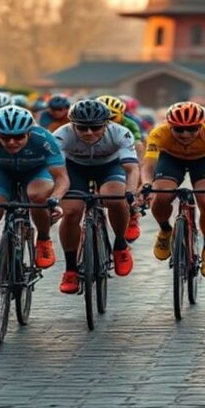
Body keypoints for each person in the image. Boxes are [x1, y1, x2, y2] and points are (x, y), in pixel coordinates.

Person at [0, 106, 69, 290]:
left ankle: (43, 239)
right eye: (4, 137)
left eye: (18, 137)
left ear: (29, 133)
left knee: (37, 196)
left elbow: (61, 177)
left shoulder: (44, 138)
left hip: (36, 171)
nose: (11, 142)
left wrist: (55, 198)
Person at [53, 99, 139, 294]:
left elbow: (132, 169)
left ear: (106, 124)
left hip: (109, 167)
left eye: (96, 127)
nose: (89, 133)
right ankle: (70, 269)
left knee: (115, 199)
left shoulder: (120, 133)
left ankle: (120, 245)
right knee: (72, 212)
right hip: (74, 170)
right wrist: (55, 198)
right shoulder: (60, 136)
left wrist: (130, 194)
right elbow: (56, 173)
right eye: (82, 128)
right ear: (72, 125)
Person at [140, 101, 205, 278]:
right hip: (171, 159)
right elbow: (148, 166)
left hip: (204, 160)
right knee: (160, 196)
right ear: (169, 126)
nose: (185, 134)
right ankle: (165, 229)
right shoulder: (159, 132)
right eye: (178, 129)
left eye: (192, 129)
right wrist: (146, 184)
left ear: (202, 125)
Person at [97, 94, 144, 241]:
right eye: (105, 118)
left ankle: (133, 211)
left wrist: (138, 168)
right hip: (98, 157)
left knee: (133, 172)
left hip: (122, 154)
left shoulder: (130, 124)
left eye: (113, 118)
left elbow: (138, 147)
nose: (108, 122)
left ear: (122, 115)